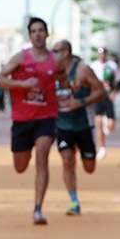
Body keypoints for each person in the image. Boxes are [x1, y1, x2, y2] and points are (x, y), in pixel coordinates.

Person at [0, 16, 61, 225]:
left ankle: (38, 209)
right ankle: (26, 150)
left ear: (47, 34)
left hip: (46, 117)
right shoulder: (21, 58)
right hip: (22, 118)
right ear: (30, 35)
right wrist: (23, 84)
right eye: (34, 31)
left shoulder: (56, 59)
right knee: (21, 166)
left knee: (42, 156)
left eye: (41, 30)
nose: (38, 34)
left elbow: (66, 79)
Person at [51, 40, 106, 215]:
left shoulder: (83, 69)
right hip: (62, 124)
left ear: (65, 52)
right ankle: (74, 201)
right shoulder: (52, 71)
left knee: (89, 167)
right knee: (67, 160)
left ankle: (85, 157)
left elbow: (101, 91)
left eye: (55, 51)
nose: (52, 55)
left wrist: (81, 102)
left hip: (83, 124)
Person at [90, 46, 120, 159]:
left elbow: (119, 80)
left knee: (111, 125)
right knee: (98, 123)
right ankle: (102, 147)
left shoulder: (112, 66)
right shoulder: (93, 66)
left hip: (108, 97)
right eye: (100, 53)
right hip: (98, 96)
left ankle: (106, 122)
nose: (102, 55)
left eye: (103, 53)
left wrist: (114, 92)